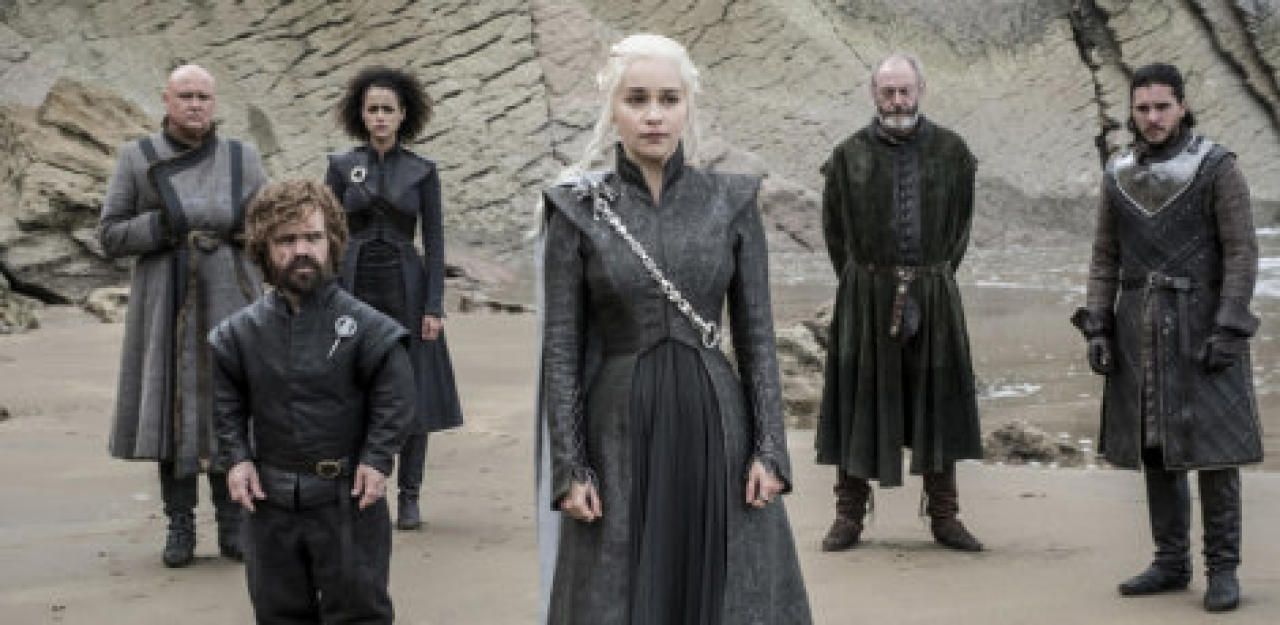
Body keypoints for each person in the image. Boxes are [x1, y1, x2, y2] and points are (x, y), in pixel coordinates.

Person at [536, 33, 812, 625]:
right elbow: (561, 350)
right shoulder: (576, 209)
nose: (654, 115)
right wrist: (571, 467)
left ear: (688, 105)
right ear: (613, 107)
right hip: (617, 430)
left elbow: (758, 339)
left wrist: (770, 450)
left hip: (717, 424)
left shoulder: (731, 201)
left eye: (668, 98)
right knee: (620, 592)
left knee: (723, 588)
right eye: (637, 99)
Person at [1072, 63, 1263, 613]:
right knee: (1156, 448)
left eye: (1162, 106)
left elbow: (1242, 252)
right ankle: (1171, 562)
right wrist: (1098, 324)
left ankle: (1222, 570)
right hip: (1139, 325)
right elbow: (1105, 256)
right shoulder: (1118, 173)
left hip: (1204, 324)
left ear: (1182, 106)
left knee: (1215, 452)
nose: (1153, 117)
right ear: (1132, 112)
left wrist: (1229, 324)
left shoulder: (1218, 166)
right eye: (1143, 108)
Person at [209, 179, 413, 623]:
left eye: (313, 237)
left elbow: (395, 398)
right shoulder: (238, 335)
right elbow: (226, 403)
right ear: (264, 248)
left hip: (348, 500)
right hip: (269, 502)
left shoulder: (368, 329)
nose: (301, 250)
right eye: (286, 240)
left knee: (360, 614)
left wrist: (377, 459)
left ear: (332, 241)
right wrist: (237, 460)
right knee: (278, 613)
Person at [814, 53, 985, 553]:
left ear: (920, 90)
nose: (896, 100)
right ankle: (848, 515)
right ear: (874, 94)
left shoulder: (953, 152)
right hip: (865, 295)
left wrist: (929, 279)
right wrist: (867, 284)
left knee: (937, 399)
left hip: (933, 291)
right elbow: (835, 233)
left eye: (904, 90)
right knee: (858, 400)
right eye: (887, 91)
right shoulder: (847, 156)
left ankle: (945, 516)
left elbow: (959, 229)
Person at [99, 63, 267, 567]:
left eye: (203, 97)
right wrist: (163, 225)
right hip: (165, 302)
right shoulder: (137, 157)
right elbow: (110, 235)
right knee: (172, 409)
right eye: (186, 95)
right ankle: (180, 524)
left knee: (228, 404)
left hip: (232, 296)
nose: (195, 104)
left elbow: (268, 223)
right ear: (167, 101)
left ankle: (233, 523)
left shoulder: (242, 157)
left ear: (214, 103)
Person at [325, 66, 463, 530]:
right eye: (372, 109)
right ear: (360, 115)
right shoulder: (341, 167)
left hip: (408, 285)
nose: (380, 117)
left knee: (414, 390)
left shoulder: (423, 171)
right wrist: (325, 296)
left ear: (404, 114)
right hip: (353, 285)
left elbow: (436, 241)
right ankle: (364, 490)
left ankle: (409, 496)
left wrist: (434, 305)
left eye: (388, 109)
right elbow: (327, 233)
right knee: (354, 386)